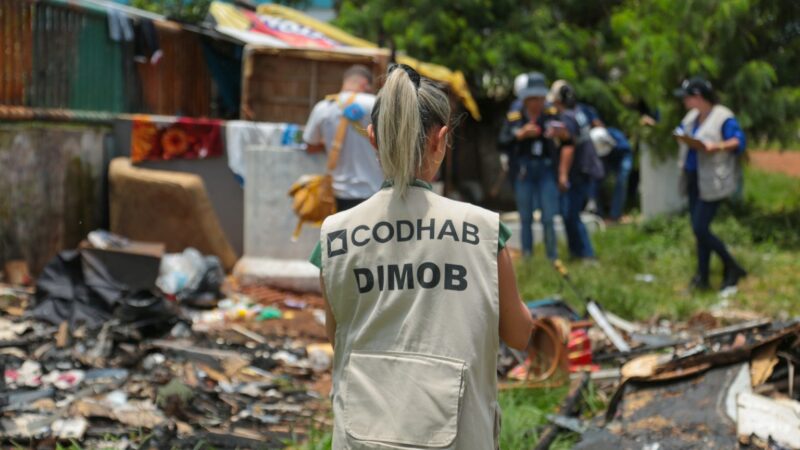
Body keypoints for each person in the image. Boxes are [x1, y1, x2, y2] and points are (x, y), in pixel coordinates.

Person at [308, 64, 535, 449]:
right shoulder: (483, 230)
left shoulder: (334, 235)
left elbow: (337, 334)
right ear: (441, 139)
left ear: (373, 139)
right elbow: (518, 333)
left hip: (362, 436)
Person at [674, 76, 747, 291]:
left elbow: (738, 140)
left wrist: (717, 146)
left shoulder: (722, 116)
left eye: (687, 98)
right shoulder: (692, 117)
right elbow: (680, 130)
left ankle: (731, 265)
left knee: (700, 227)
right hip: (693, 178)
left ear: (698, 97)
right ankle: (702, 276)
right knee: (698, 230)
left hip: (713, 181)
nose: (684, 102)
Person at [498, 72, 562, 260]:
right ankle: (528, 256)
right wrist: (520, 135)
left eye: (540, 98)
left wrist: (557, 134)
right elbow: (501, 141)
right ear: (525, 99)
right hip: (523, 170)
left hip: (547, 168)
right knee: (525, 217)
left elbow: (567, 139)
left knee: (549, 218)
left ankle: (552, 258)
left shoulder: (551, 114)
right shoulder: (514, 116)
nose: (537, 103)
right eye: (533, 98)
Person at [303, 65, 383, 211]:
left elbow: (310, 145)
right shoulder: (376, 103)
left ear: (345, 82)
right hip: (375, 191)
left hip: (340, 193)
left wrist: (330, 143)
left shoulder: (323, 107)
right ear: (365, 84)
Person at [548, 80, 605, 260]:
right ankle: (577, 254)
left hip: (576, 171)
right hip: (586, 168)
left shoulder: (566, 118)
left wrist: (562, 175)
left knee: (571, 215)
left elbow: (568, 147)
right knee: (570, 214)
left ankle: (586, 255)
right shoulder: (579, 112)